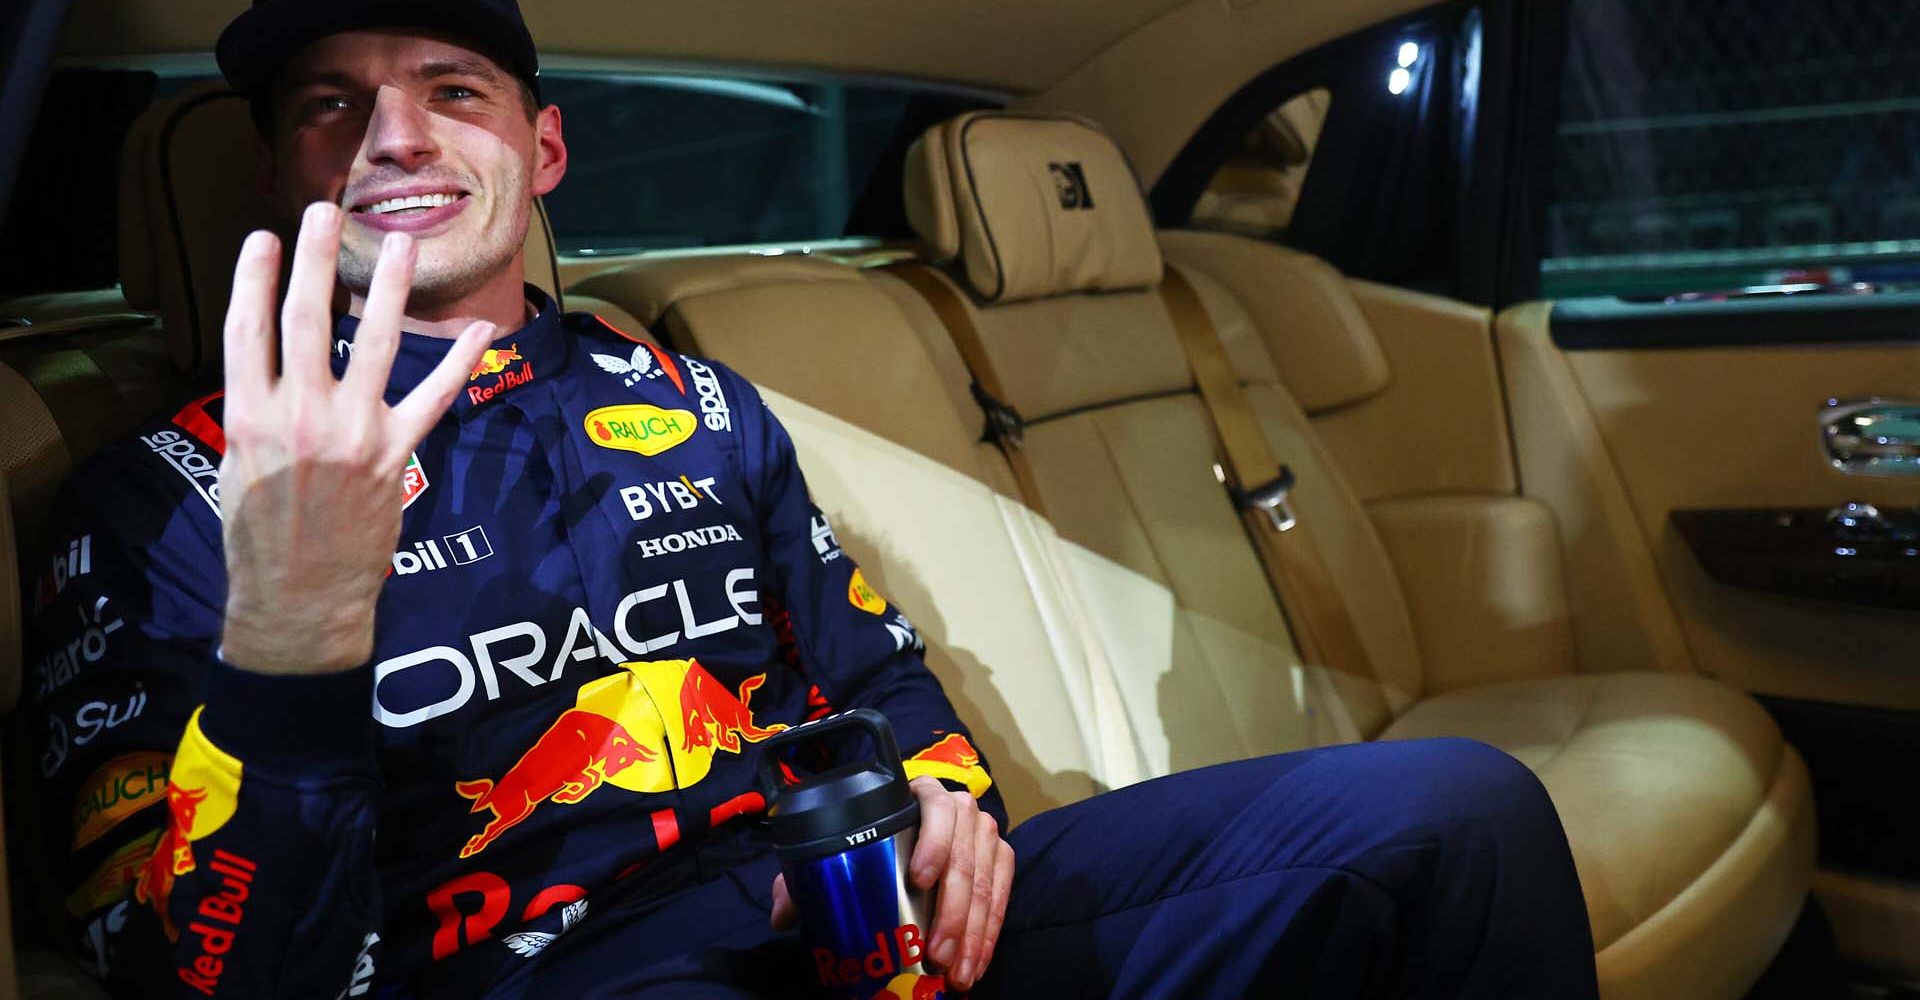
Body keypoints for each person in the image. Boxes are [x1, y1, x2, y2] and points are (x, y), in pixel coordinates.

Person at [23, 1, 1601, 996]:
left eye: (454, 88)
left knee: (1453, 818)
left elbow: (876, 670)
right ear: (285, 172)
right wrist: (291, 624)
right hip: (552, 972)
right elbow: (193, 972)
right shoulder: (156, 503)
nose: (391, 133)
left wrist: (955, 806)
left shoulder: (689, 399)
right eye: (329, 103)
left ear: (544, 148)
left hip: (857, 906)